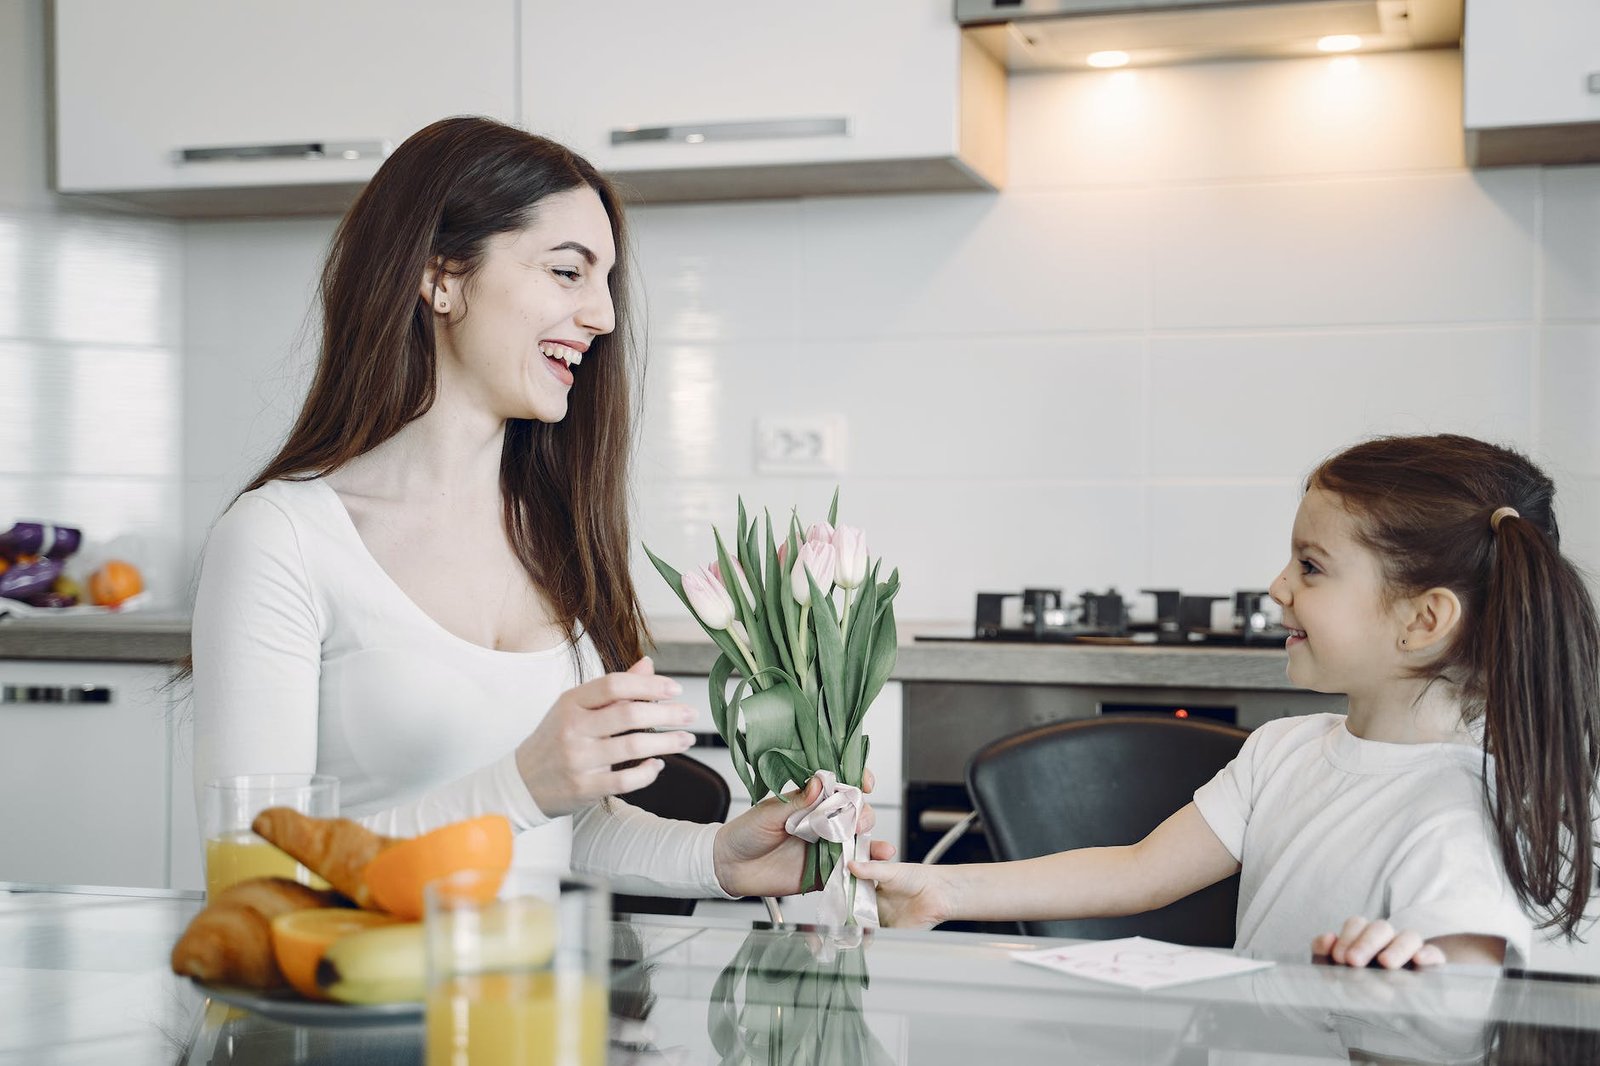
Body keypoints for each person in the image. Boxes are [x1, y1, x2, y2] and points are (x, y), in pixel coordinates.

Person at [190, 116, 890, 903]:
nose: (604, 317)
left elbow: (569, 832)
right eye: (567, 272)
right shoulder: (281, 539)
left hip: (529, 1013)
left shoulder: (553, 534)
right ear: (441, 276)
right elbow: (257, 878)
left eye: (605, 283)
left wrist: (720, 859)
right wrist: (521, 784)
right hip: (352, 1010)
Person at [855, 434, 1600, 968]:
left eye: (1311, 566)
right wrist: (941, 888)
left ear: (1423, 620)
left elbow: (1464, 1012)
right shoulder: (1285, 752)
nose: (1278, 587)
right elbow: (1138, 870)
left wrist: (1403, 986)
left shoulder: (1472, 806)